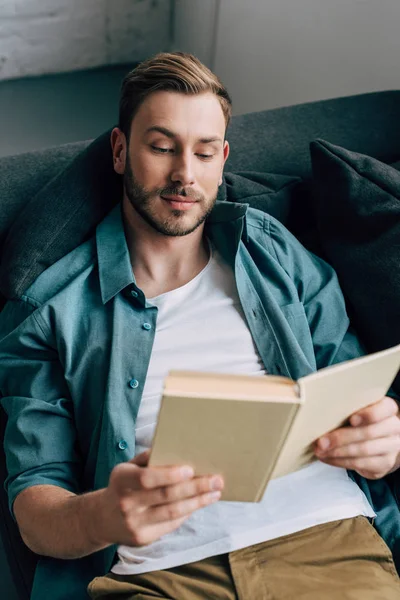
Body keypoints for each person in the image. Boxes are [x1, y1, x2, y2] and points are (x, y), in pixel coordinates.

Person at [1, 52, 400, 600]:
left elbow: (357, 387)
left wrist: (386, 440)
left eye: (204, 152)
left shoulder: (273, 252)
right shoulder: (50, 309)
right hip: (161, 574)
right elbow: (34, 508)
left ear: (222, 158)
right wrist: (105, 516)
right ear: (120, 151)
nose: (185, 173)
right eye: (161, 147)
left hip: (326, 541)